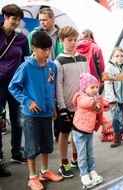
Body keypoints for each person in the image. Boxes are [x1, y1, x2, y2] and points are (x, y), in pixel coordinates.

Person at [8, 31, 63, 190]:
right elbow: (13, 87)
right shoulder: (25, 66)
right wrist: (28, 101)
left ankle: (44, 172)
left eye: (49, 49)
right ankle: (32, 177)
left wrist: (53, 107)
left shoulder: (52, 65)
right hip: (31, 115)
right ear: (34, 47)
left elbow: (51, 87)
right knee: (32, 146)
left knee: (46, 144)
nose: (47, 53)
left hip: (47, 112)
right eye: (43, 49)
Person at [54, 26, 89, 178]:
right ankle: (63, 162)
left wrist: (90, 98)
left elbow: (87, 80)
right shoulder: (59, 61)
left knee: (78, 133)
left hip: (81, 104)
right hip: (66, 104)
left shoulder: (83, 58)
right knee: (64, 133)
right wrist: (62, 107)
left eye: (75, 40)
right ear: (61, 41)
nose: (73, 43)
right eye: (69, 40)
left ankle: (76, 158)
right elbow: (58, 86)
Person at [0, 4, 29, 177]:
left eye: (18, 19)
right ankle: (0, 158)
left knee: (17, 120)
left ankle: (17, 152)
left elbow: (26, 61)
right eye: (13, 19)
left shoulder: (21, 38)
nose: (16, 22)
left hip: (16, 85)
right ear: (4, 16)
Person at [28, 7, 64, 143]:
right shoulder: (34, 34)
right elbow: (29, 54)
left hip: (58, 70)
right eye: (40, 20)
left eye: (44, 19)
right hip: (42, 71)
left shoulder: (61, 34)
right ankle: (45, 134)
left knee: (58, 100)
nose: (42, 22)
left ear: (52, 19)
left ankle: (58, 133)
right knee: (45, 98)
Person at [72, 73, 104, 188]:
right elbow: (84, 103)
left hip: (89, 131)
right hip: (80, 131)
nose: (95, 89)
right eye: (92, 87)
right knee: (82, 154)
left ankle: (92, 171)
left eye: (96, 87)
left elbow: (99, 111)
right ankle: (84, 174)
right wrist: (93, 101)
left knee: (90, 153)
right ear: (84, 88)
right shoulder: (81, 96)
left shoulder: (96, 98)